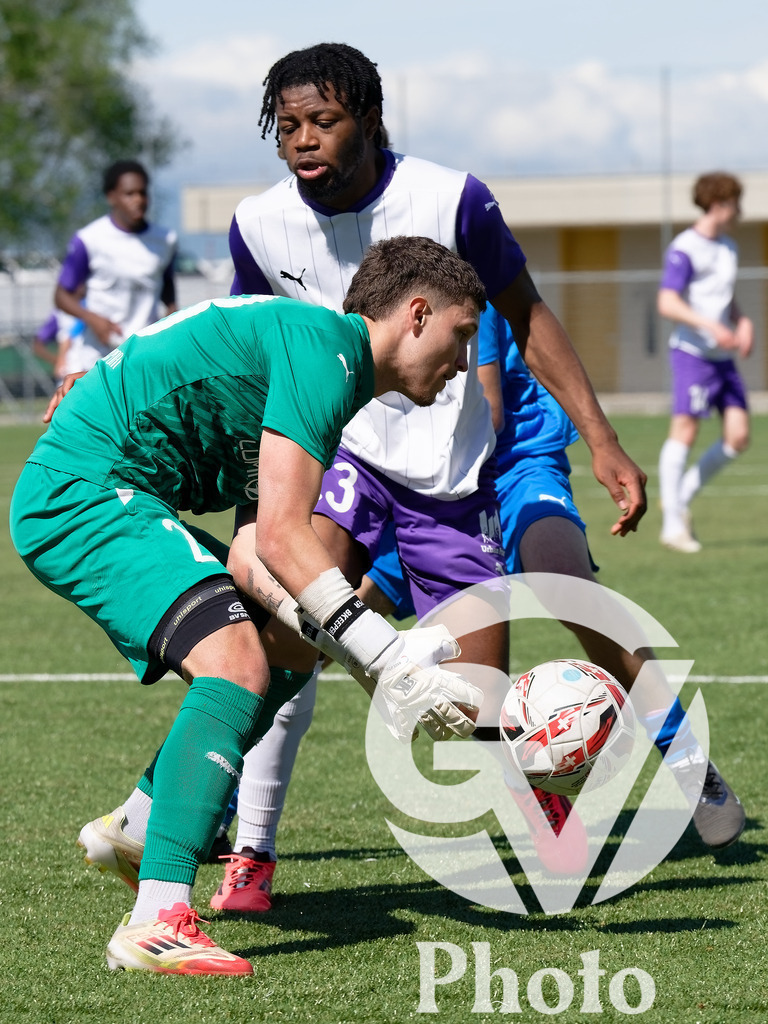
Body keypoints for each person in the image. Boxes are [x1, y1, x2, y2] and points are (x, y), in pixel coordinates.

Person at [78, 42, 647, 913]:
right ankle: (236, 848)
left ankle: (552, 809)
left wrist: (599, 437)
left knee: (475, 695)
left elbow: (527, 314)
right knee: (283, 636)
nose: (303, 140)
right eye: (288, 126)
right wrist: (124, 374)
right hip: (336, 457)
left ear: (369, 120)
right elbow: (236, 328)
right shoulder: (258, 222)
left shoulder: (452, 197)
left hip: (449, 476)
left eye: (324, 121)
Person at [10, 235, 487, 975]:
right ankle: (156, 919)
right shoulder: (324, 350)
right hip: (84, 493)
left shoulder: (317, 364)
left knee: (284, 651)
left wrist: (365, 659)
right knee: (235, 663)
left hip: (107, 489)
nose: (462, 365)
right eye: (460, 337)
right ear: (416, 314)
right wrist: (387, 656)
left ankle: (137, 827)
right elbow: (284, 535)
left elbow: (254, 555)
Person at [363, 304, 744, 850]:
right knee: (330, 620)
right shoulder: (374, 295)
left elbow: (488, 414)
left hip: (514, 462)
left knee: (571, 589)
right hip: (427, 484)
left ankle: (686, 760)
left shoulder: (465, 291)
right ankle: (238, 819)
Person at [657, 171, 753, 553]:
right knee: (686, 430)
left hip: (722, 357)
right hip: (692, 353)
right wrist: (710, 325)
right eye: (735, 203)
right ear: (718, 204)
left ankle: (678, 498)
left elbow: (723, 298)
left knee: (739, 436)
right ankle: (672, 524)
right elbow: (668, 302)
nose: (739, 211)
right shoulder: (685, 247)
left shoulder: (728, 246)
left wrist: (741, 320)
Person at [54, 159, 178, 374]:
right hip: (96, 357)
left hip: (142, 356)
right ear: (111, 197)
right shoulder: (89, 239)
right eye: (129, 194)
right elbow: (61, 296)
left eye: (143, 192)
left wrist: (171, 328)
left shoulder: (166, 240)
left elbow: (168, 292)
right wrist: (93, 319)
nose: (138, 200)